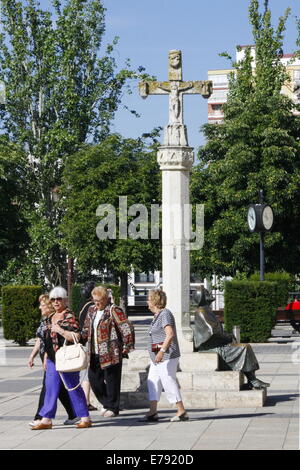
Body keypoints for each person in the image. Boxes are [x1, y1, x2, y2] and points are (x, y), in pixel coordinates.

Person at [31, 286, 91, 430]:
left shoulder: (69, 316)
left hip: (67, 358)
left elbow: (77, 336)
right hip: (52, 358)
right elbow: (46, 340)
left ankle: (85, 417)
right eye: (53, 299)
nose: (56, 302)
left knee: (73, 387)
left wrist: (61, 330)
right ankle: (46, 419)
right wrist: (45, 356)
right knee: (50, 388)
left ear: (65, 300)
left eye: (59, 299)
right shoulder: (50, 317)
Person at [193, 287, 270, 390]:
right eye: (207, 293)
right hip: (211, 347)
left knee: (245, 347)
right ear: (202, 297)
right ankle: (253, 380)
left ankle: (252, 380)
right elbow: (213, 331)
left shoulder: (206, 310)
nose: (210, 294)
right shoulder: (201, 311)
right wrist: (228, 336)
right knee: (244, 348)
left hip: (217, 344)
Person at [81, 286, 135, 418]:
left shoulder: (113, 310)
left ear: (106, 299)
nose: (96, 303)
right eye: (94, 300)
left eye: (99, 300)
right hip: (94, 351)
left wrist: (127, 345)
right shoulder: (91, 310)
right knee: (94, 379)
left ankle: (112, 407)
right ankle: (107, 403)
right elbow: (86, 328)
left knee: (112, 381)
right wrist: (78, 338)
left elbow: (126, 327)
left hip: (111, 351)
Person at [145, 289, 189, 422]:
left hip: (167, 355)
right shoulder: (157, 315)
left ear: (155, 301)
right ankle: (153, 411)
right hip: (157, 357)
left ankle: (181, 410)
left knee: (168, 380)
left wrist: (161, 351)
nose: (147, 301)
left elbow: (170, 334)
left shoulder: (165, 314)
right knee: (153, 381)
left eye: (149, 299)